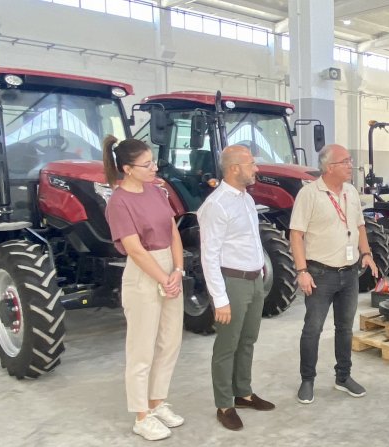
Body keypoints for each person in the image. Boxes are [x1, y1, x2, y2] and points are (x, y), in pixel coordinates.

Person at [102, 136, 185, 441]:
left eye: (153, 162)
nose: (154, 168)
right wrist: (163, 278)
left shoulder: (156, 190)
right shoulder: (119, 202)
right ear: (127, 169)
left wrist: (178, 270)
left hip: (169, 268)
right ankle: (141, 416)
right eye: (147, 164)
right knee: (142, 348)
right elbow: (134, 249)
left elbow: (173, 231)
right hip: (143, 273)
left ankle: (157, 402)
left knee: (169, 341)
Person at [290, 144, 379, 404]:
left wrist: (366, 253)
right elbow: (296, 234)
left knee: (345, 328)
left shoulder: (351, 192)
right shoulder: (309, 194)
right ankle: (307, 380)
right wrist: (301, 271)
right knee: (313, 329)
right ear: (330, 167)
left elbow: (360, 226)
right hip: (320, 274)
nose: (351, 165)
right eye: (345, 161)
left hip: (349, 274)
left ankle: (343, 377)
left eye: (350, 160)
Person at [198, 145, 276, 431]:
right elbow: (209, 255)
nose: (256, 168)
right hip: (232, 282)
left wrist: (261, 267)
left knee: (247, 340)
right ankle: (224, 404)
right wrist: (220, 299)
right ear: (233, 168)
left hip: (254, 280)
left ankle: (243, 393)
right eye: (251, 164)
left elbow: (251, 239)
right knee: (227, 345)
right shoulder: (216, 205)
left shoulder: (246, 198)